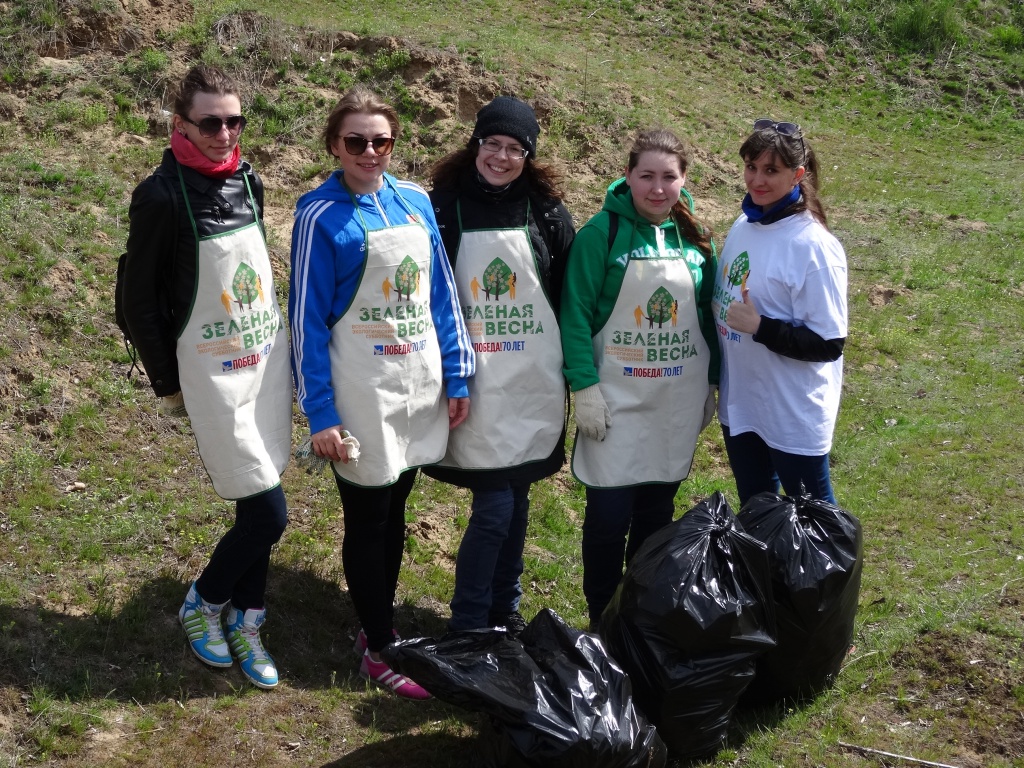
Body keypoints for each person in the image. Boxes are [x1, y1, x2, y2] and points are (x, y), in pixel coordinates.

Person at [289, 87, 475, 700]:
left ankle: (380, 627)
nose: (370, 151)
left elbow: (441, 296)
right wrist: (321, 413)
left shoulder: (416, 203)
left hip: (416, 380)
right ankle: (377, 645)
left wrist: (458, 371)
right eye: (356, 141)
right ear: (333, 145)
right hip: (359, 389)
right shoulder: (320, 214)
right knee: (367, 516)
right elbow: (307, 324)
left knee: (396, 508)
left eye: (381, 140)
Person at [122, 65, 292, 689]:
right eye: (210, 122)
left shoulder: (248, 180)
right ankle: (204, 601)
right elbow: (138, 301)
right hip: (212, 374)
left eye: (234, 120)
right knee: (268, 513)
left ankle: (247, 619)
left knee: (263, 493)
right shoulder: (161, 195)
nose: (224, 133)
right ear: (180, 124)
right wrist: (167, 383)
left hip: (262, 367)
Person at [423, 97, 575, 635]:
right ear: (476, 144)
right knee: (494, 510)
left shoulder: (549, 214)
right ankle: (468, 625)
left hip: (532, 382)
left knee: (517, 502)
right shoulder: (442, 209)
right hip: (475, 381)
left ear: (528, 157)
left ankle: (503, 614)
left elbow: (568, 300)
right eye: (493, 144)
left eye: (515, 149)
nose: (502, 156)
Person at [560, 129, 720, 629]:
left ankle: (641, 618)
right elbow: (575, 316)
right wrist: (583, 387)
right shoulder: (600, 235)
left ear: (683, 181)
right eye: (646, 176)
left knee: (657, 519)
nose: (657, 188)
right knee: (608, 520)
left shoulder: (696, 242)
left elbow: (709, 323)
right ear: (627, 176)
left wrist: (712, 383)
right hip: (614, 404)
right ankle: (601, 619)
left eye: (668, 177)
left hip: (673, 404)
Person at [712, 118, 847, 507]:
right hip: (742, 404)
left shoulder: (814, 247)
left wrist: (761, 327)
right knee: (758, 514)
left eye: (771, 170)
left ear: (797, 175)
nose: (757, 180)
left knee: (816, 524)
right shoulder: (745, 223)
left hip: (791, 413)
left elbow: (829, 343)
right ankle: (767, 573)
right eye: (751, 167)